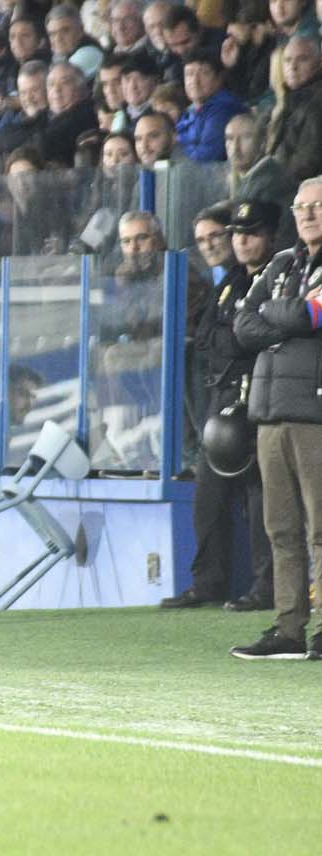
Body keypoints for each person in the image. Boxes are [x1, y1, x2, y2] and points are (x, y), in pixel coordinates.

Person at [162, 202, 276, 611]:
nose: (240, 240)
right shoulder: (228, 282)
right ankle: (208, 581)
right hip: (224, 397)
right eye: (237, 233)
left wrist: (236, 338)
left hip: (261, 397)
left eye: (250, 233)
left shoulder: (277, 276)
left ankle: (266, 589)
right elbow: (210, 336)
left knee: (262, 497)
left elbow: (255, 339)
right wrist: (237, 337)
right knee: (208, 494)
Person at [230, 178, 322, 660]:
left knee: (321, 528)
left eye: (316, 206)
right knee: (281, 529)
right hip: (269, 411)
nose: (306, 214)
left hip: (316, 412)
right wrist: (291, 316)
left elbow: (312, 316)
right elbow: (243, 324)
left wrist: (282, 315)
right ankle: (289, 629)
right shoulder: (284, 262)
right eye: (301, 206)